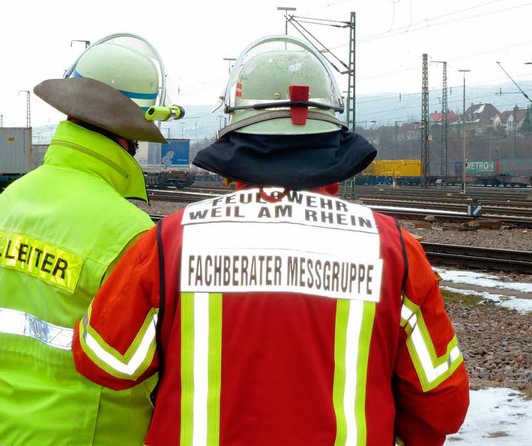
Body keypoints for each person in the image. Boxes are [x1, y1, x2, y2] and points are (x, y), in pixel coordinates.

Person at [72, 35, 470, 445]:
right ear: (332, 135)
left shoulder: (171, 241)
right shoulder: (393, 250)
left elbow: (106, 362)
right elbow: (443, 403)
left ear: (236, 134)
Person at [0, 33, 175, 445]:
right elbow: (146, 362)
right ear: (134, 132)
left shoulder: (9, 200)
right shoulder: (131, 232)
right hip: (89, 433)